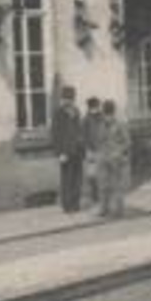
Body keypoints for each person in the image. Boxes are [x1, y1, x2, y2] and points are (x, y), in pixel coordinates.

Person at [52, 85, 87, 213]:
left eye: (71, 98)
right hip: (65, 152)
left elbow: (80, 130)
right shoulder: (59, 113)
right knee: (67, 179)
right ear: (63, 99)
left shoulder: (77, 111)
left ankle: (75, 204)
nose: (69, 101)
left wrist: (83, 149)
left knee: (78, 179)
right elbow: (55, 134)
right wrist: (59, 153)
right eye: (67, 98)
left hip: (78, 151)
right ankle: (67, 206)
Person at [96, 100, 132, 218]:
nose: (107, 118)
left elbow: (128, 142)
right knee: (103, 185)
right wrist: (100, 153)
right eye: (105, 115)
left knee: (117, 186)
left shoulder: (120, 125)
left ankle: (118, 210)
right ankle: (104, 209)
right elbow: (99, 141)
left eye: (109, 115)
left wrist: (118, 152)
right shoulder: (101, 125)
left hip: (116, 160)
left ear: (113, 114)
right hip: (103, 159)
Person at [82, 97, 105, 205]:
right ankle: (95, 196)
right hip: (91, 150)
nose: (96, 109)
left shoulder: (102, 117)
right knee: (92, 175)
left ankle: (103, 195)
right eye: (94, 107)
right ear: (90, 107)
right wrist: (88, 148)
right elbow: (83, 135)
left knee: (102, 174)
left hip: (102, 149)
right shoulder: (86, 119)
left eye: (97, 106)